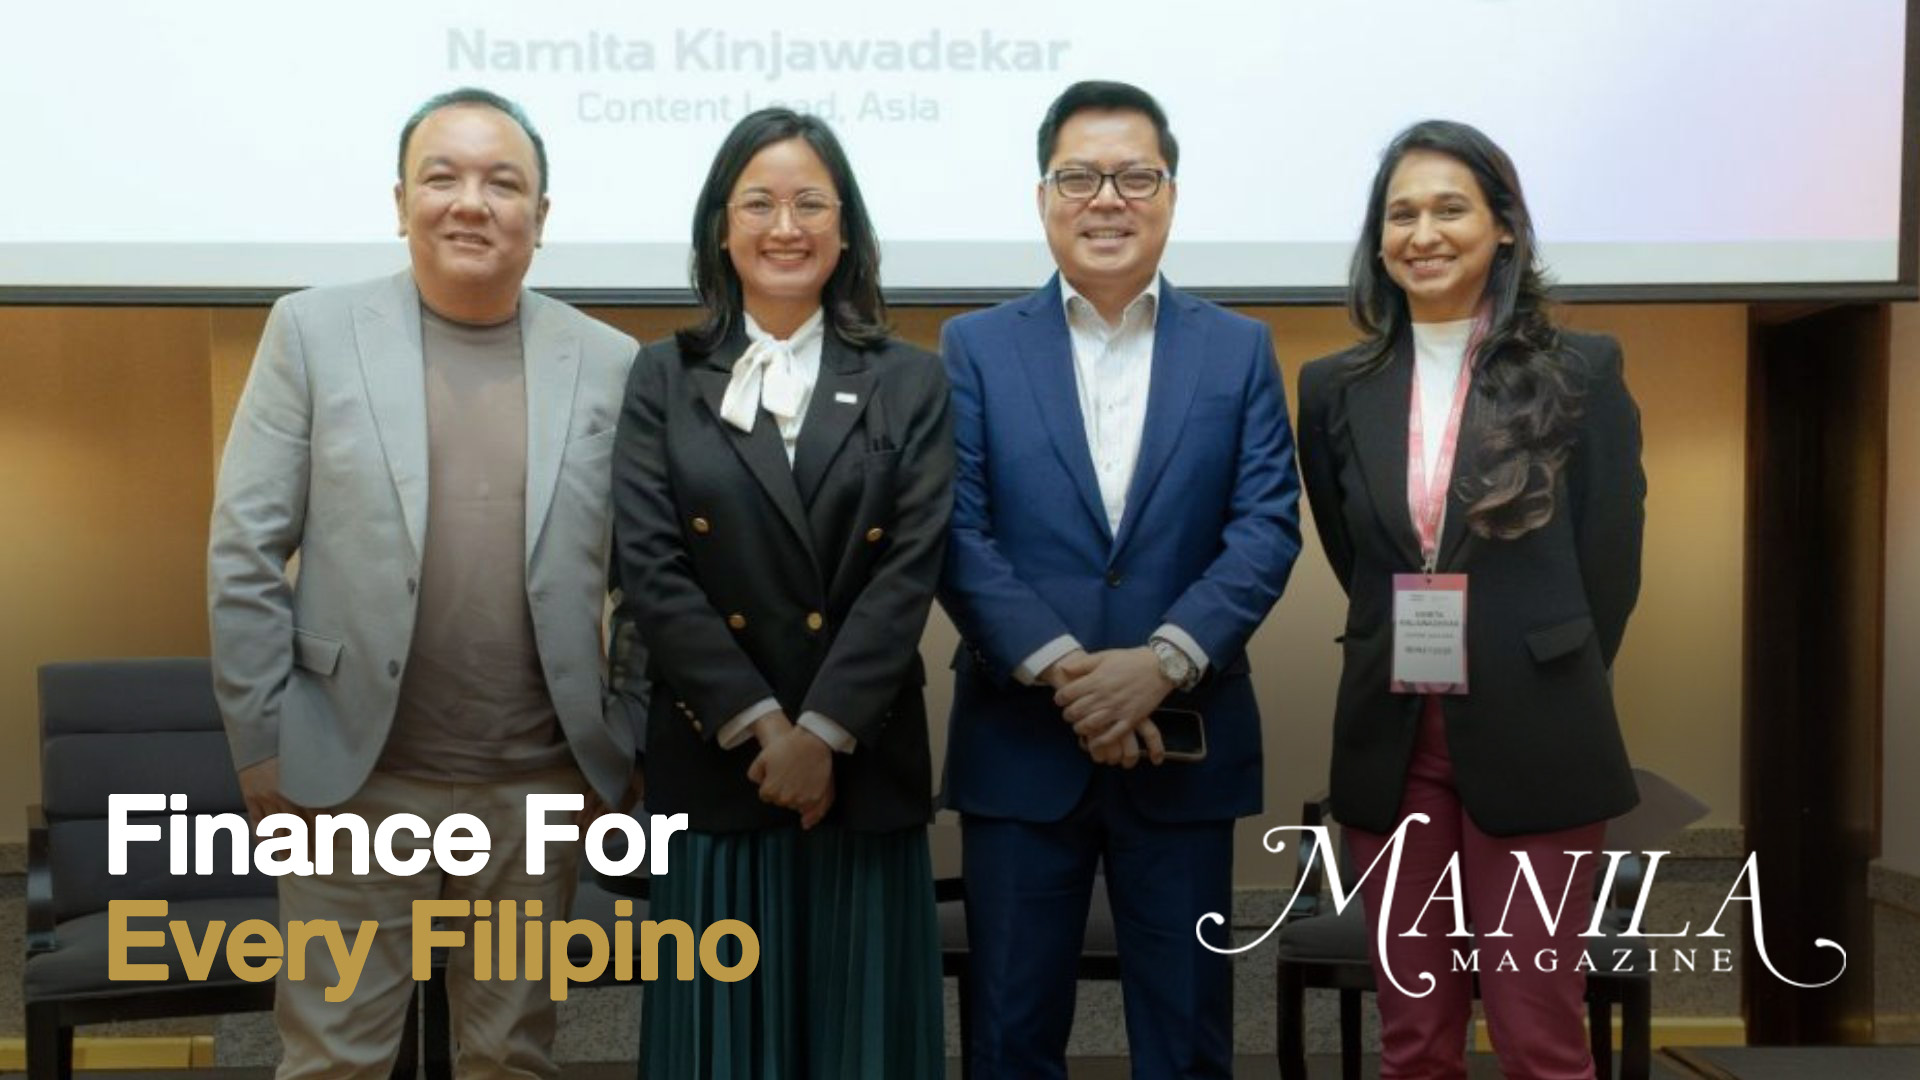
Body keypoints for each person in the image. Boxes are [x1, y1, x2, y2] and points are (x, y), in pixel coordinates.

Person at [207, 87, 641, 1079]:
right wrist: (262, 743)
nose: (471, 202)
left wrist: (622, 741)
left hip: (540, 786)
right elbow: (244, 547)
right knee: (335, 1058)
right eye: (442, 178)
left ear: (541, 214)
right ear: (401, 202)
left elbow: (648, 579)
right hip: (350, 781)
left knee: (511, 1055)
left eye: (503, 183)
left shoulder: (611, 362)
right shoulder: (311, 331)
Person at [938, 80, 1302, 1077]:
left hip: (1184, 743)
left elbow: (1266, 527)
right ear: (1043, 197)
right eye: (1079, 177)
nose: (1107, 199)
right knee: (1009, 1037)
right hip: (1021, 746)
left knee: (1187, 1040)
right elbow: (956, 532)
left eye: (1135, 177)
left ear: (1170, 194)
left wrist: (1161, 664)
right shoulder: (974, 347)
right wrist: (1075, 674)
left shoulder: (1238, 348)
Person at [1295, 119, 1645, 1079]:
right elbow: (1358, 555)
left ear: (1505, 227)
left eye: (1450, 209)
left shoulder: (1582, 369)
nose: (1423, 234)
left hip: (1539, 731)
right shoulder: (1333, 387)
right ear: (1378, 239)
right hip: (1392, 736)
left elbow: (1609, 566)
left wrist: (1534, 665)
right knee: (1413, 1041)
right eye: (1400, 214)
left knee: (1540, 1037)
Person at [610, 107, 952, 1079]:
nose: (785, 226)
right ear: (721, 228)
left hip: (861, 762)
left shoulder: (911, 380)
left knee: (860, 1048)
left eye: (811, 203)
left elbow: (907, 574)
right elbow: (652, 569)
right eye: (758, 203)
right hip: (724, 764)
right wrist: (767, 730)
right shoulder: (662, 377)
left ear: (847, 229)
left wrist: (822, 735)